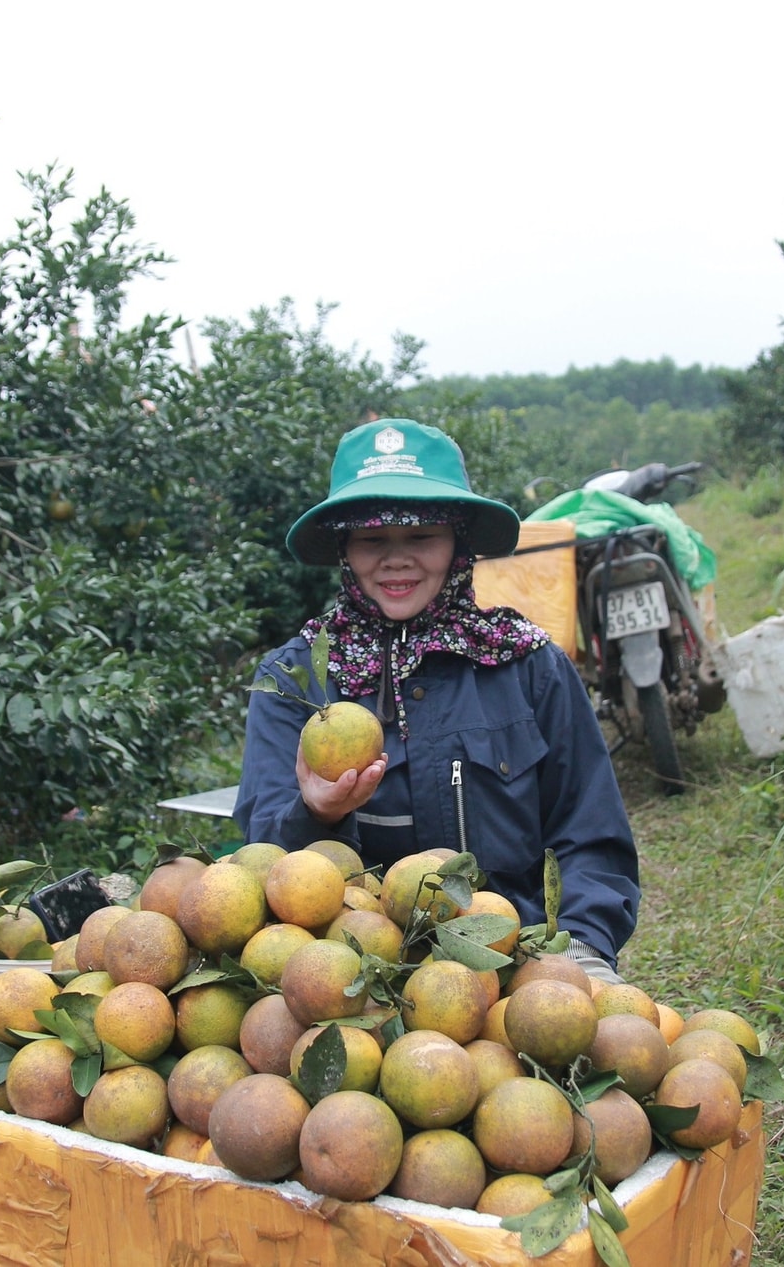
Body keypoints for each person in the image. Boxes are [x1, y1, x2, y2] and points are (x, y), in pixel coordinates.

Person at [235, 417, 639, 978]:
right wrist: (314, 814)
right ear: (344, 550)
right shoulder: (296, 681)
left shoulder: (525, 665)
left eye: (421, 536)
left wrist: (581, 946)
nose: (396, 559)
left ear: (458, 543)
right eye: (373, 538)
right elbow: (261, 861)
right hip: (348, 974)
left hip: (513, 959)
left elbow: (589, 832)